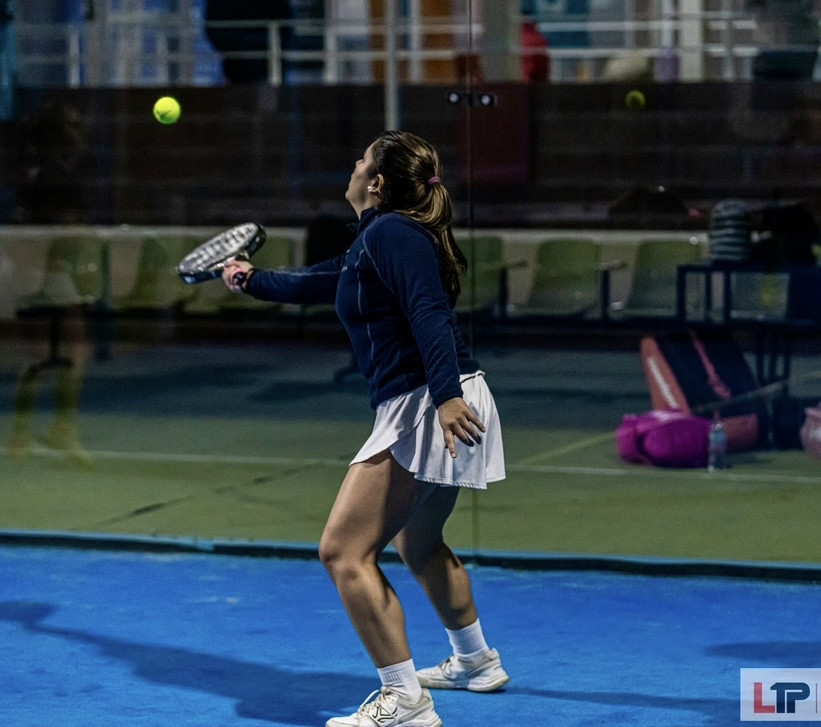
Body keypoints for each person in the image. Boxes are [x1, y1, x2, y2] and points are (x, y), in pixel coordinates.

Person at [221, 130, 509, 727]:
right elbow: (316, 282)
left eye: (361, 160)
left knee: (343, 552)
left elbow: (429, 310)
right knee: (417, 543)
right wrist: (250, 279)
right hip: (443, 395)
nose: (352, 166)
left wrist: (446, 397)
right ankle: (476, 661)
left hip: (430, 401)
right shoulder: (374, 241)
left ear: (375, 182)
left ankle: (404, 700)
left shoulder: (392, 233)